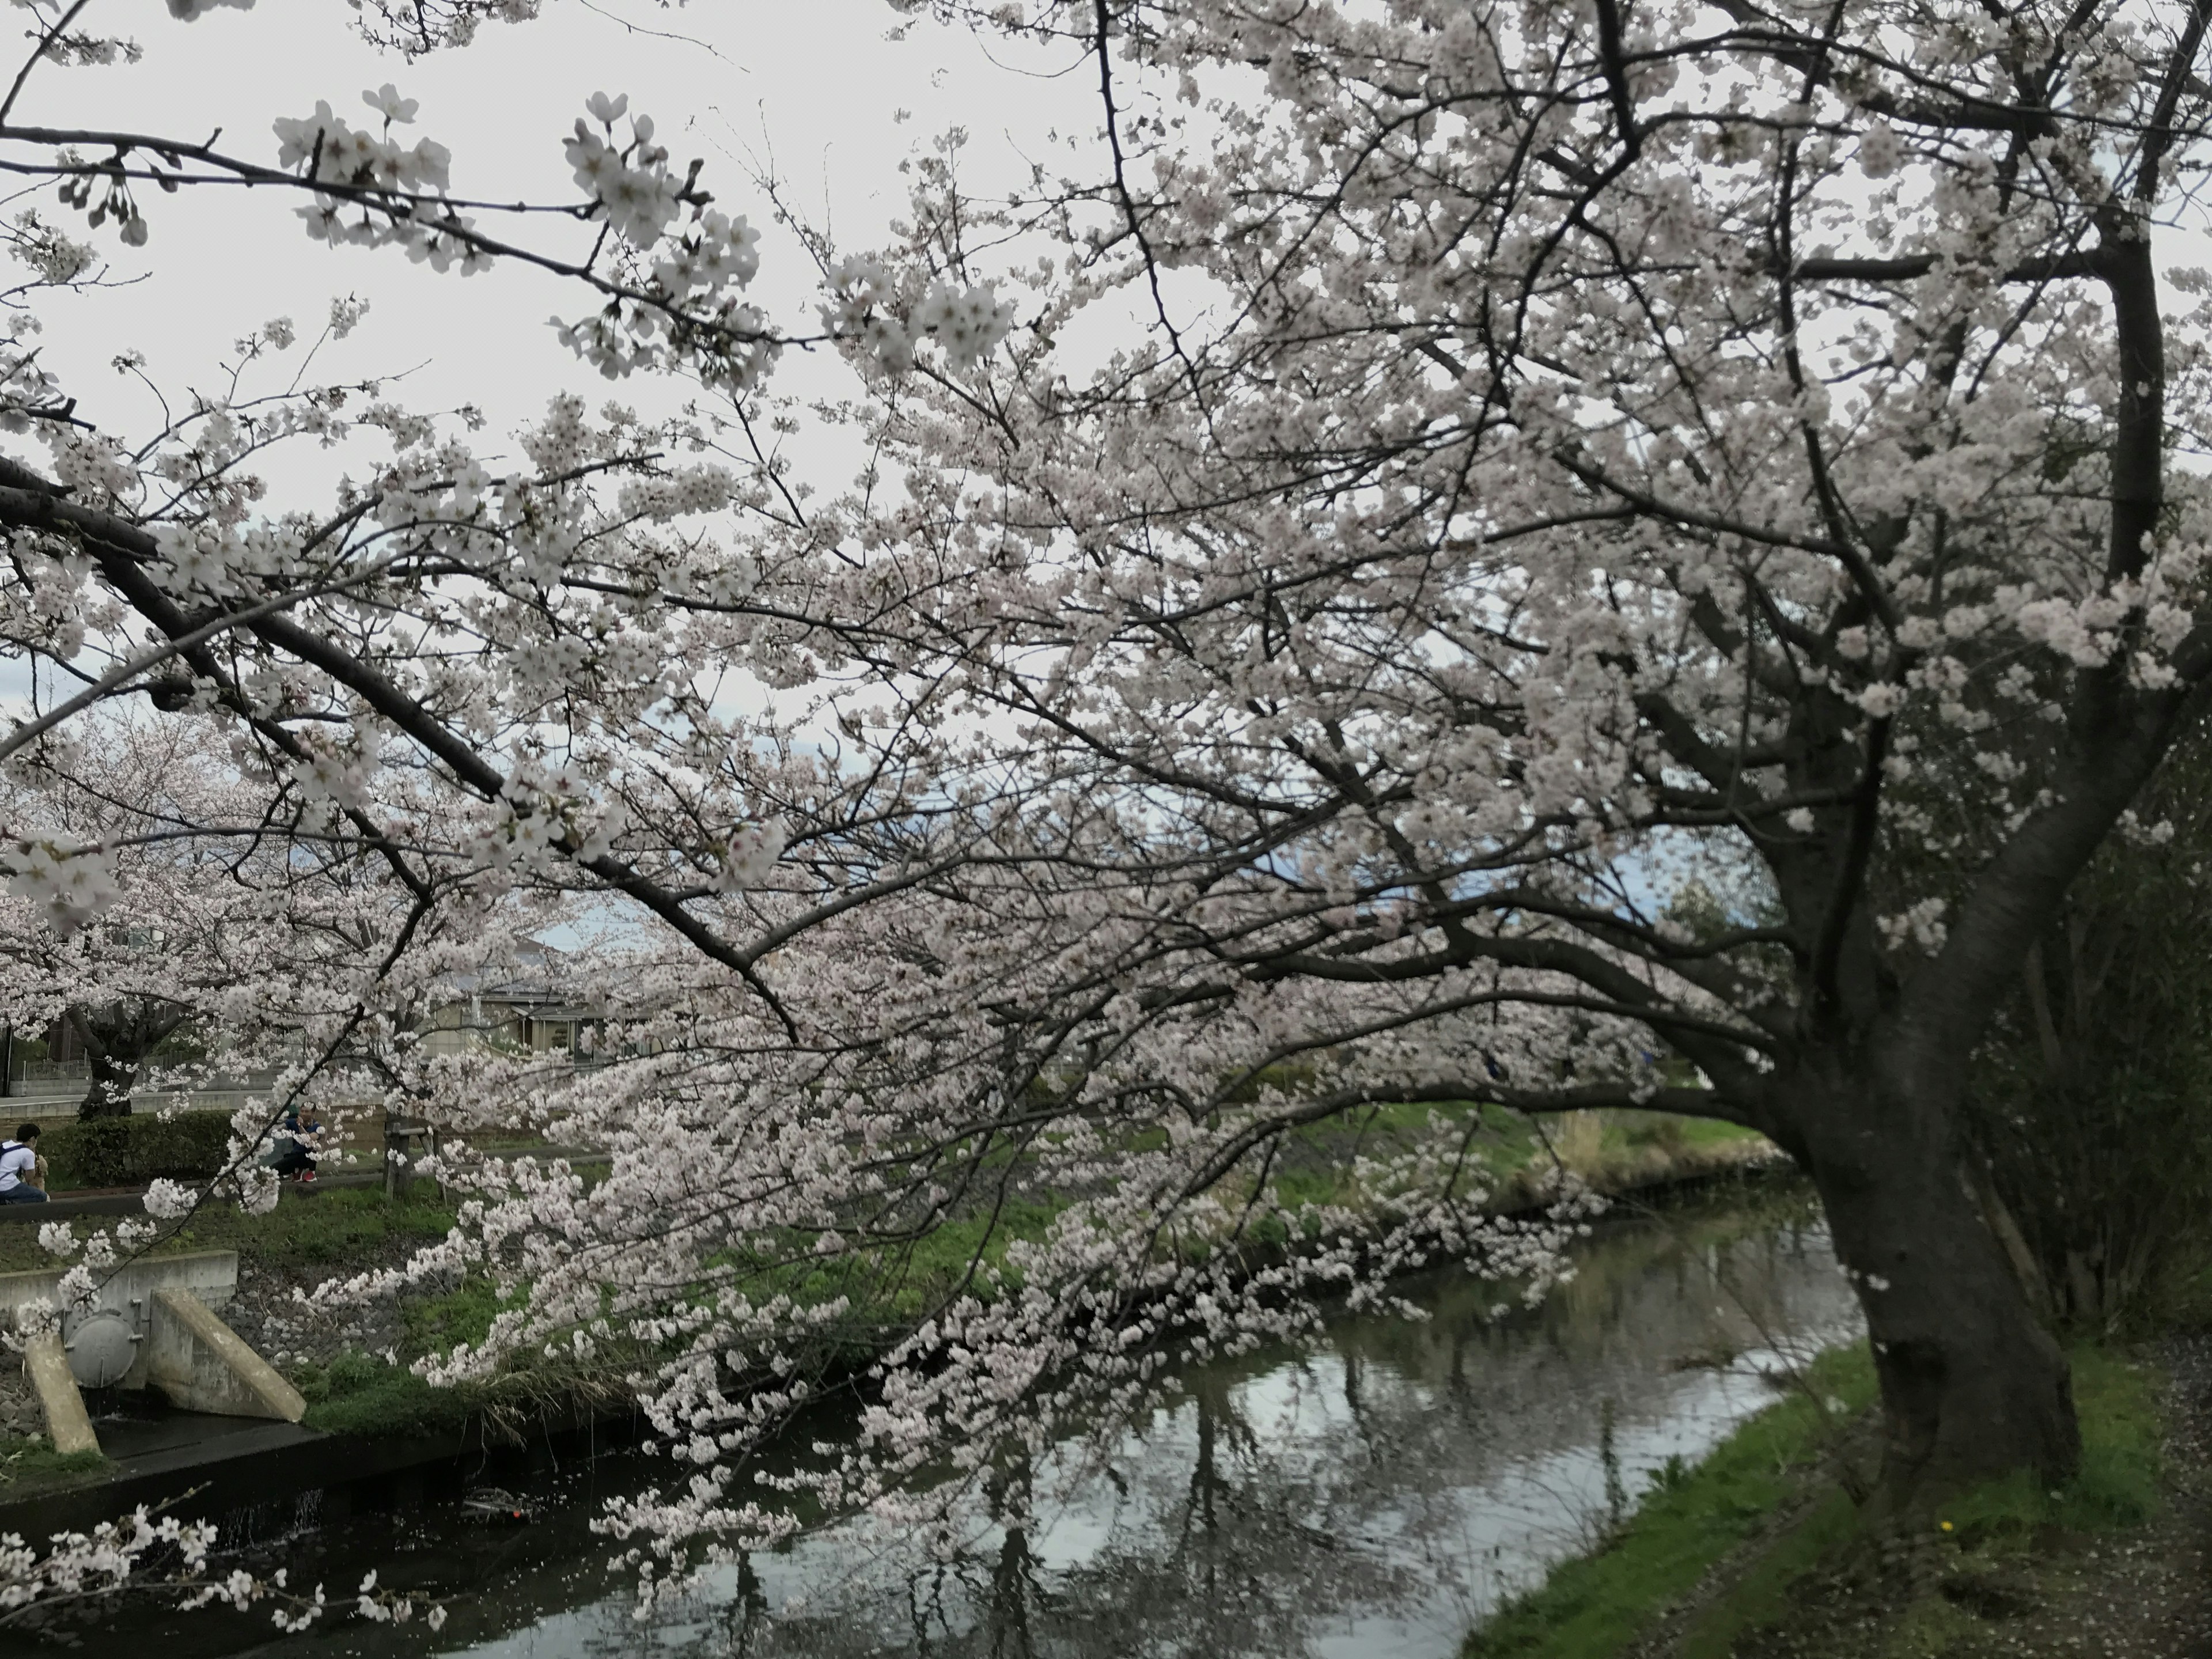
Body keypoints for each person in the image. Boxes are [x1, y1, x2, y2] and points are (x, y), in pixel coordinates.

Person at [269, 1106, 319, 1182]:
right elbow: (279, 1127)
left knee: (313, 1148)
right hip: (295, 1156)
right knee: (273, 1170)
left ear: (313, 1113)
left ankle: (311, 1172)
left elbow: (309, 1140)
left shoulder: (317, 1127)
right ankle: (297, 1171)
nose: (304, 1114)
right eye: (302, 1111)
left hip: (308, 1158)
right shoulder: (293, 1122)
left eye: (307, 1112)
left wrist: (300, 1127)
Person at [0, 1124, 47, 1204]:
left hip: (3, 1185)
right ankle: (10, 1202)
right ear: (33, 1139)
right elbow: (30, 1179)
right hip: (6, 1186)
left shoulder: (7, 1144)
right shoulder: (28, 1153)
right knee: (42, 1196)